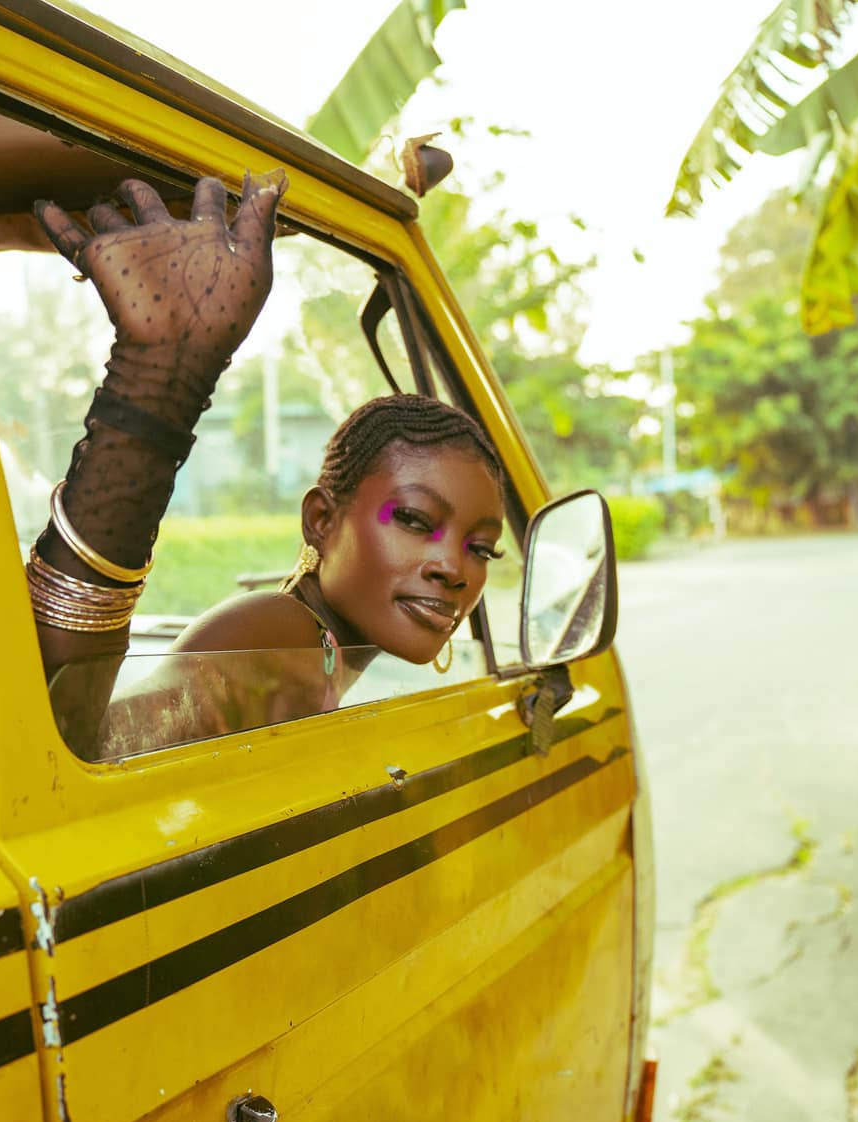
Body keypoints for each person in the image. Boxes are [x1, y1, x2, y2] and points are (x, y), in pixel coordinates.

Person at [27, 174, 510, 756]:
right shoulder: (278, 640)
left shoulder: (324, 648)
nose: (454, 569)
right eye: (413, 519)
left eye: (481, 549)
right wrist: (156, 386)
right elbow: (78, 750)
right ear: (321, 522)